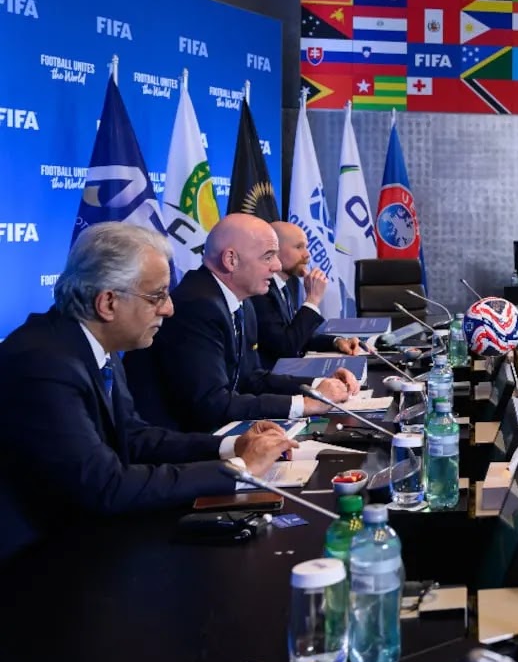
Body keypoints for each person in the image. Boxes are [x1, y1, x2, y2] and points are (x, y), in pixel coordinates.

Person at [0, 224, 297, 559]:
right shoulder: (43, 363)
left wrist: (232, 447)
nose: (169, 308)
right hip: (36, 559)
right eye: (157, 296)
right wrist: (239, 469)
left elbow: (135, 437)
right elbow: (106, 485)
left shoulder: (95, 342)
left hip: (88, 534)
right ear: (108, 302)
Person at [125, 214, 358, 431]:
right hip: (180, 441)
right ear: (231, 260)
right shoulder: (197, 305)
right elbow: (211, 404)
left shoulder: (242, 300)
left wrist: (318, 386)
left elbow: (251, 377)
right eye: (268, 256)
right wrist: (304, 405)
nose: (277, 266)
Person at [251, 221, 362, 368]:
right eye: (298, 247)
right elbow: (286, 347)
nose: (307, 254)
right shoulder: (261, 291)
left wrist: (336, 342)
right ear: (275, 251)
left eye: (306, 247)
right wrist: (312, 299)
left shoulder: (282, 286)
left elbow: (298, 335)